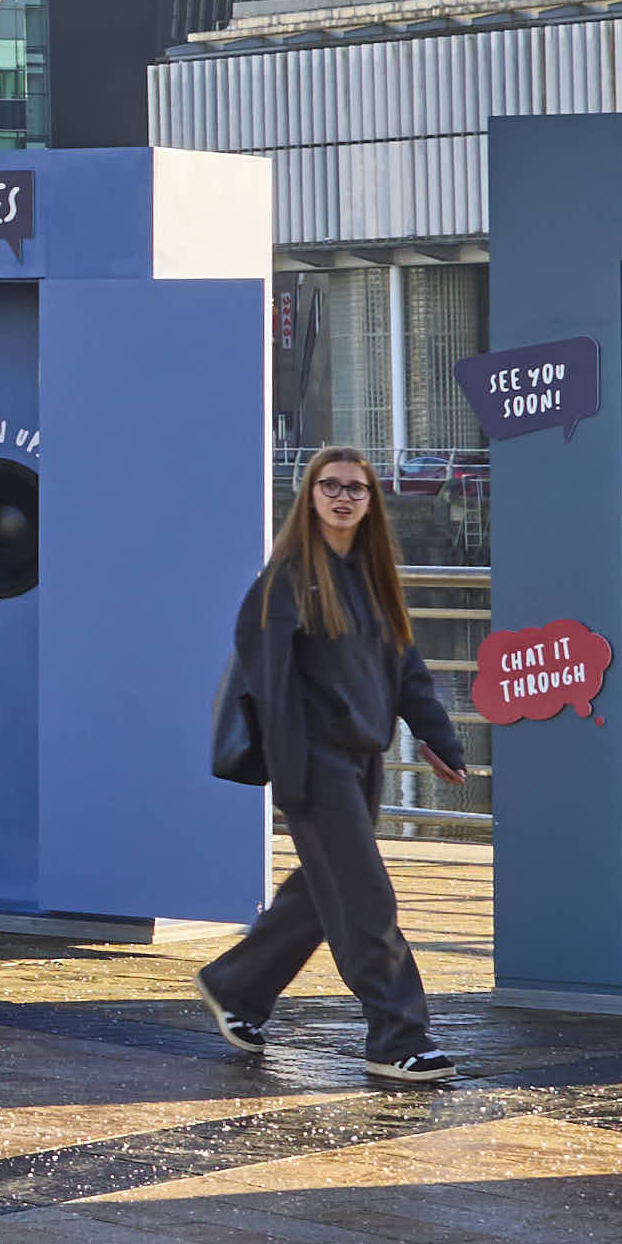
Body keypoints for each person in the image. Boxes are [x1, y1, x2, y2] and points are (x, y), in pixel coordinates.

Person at [204, 445, 469, 1078]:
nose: (343, 497)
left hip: (361, 760)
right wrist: (291, 776)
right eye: (331, 486)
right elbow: (267, 688)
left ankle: (237, 987)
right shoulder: (286, 581)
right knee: (366, 900)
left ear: (372, 501)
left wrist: (440, 739)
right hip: (315, 765)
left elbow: (408, 672)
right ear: (311, 495)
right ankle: (397, 1038)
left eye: (356, 487)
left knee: (324, 894)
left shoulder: (374, 579)